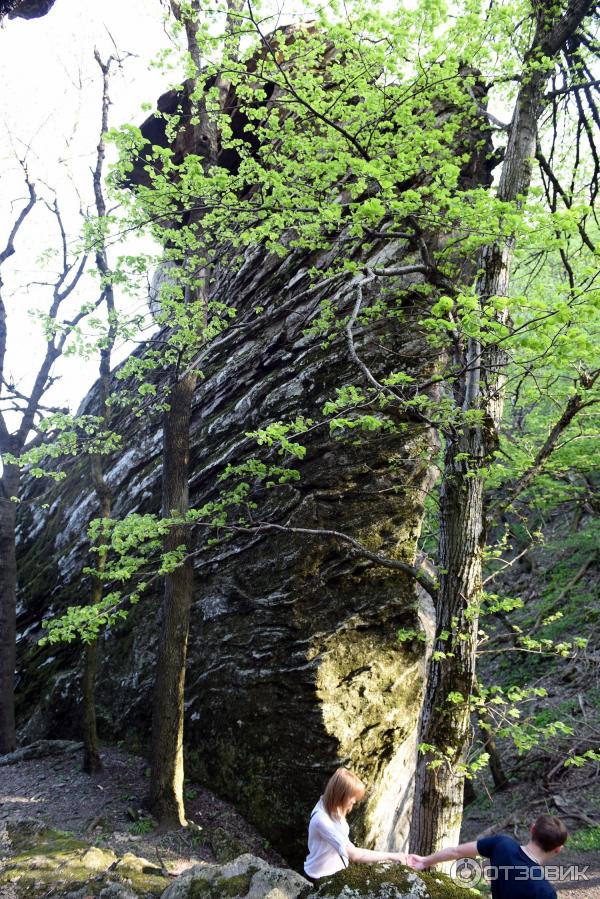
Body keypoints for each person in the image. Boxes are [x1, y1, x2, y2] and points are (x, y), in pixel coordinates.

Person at [411, 814, 568, 899]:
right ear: (558, 849)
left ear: (532, 830)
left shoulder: (502, 844)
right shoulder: (545, 892)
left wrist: (424, 861)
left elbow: (456, 852)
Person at [304, 767, 418, 881]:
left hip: (337, 874)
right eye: (352, 798)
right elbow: (354, 855)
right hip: (318, 878)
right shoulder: (321, 820)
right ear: (340, 794)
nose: (354, 802)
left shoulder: (332, 806)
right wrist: (391, 856)